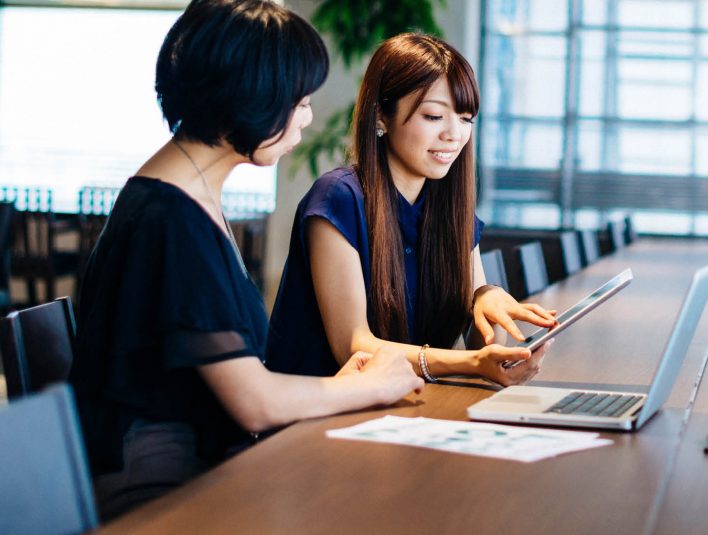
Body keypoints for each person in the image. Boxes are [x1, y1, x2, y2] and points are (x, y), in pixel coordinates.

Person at [69, 0, 423, 521]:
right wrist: (371, 385)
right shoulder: (172, 217)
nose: (306, 118)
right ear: (254, 99)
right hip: (162, 488)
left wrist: (349, 384)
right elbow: (253, 402)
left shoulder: (180, 192)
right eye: (299, 101)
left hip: (197, 461)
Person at [266, 33, 557, 386]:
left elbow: (485, 352)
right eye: (434, 116)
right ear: (381, 116)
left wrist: (488, 300)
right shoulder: (338, 198)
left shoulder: (450, 209)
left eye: (466, 118)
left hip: (402, 408)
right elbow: (354, 348)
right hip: (316, 419)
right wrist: (472, 362)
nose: (455, 134)